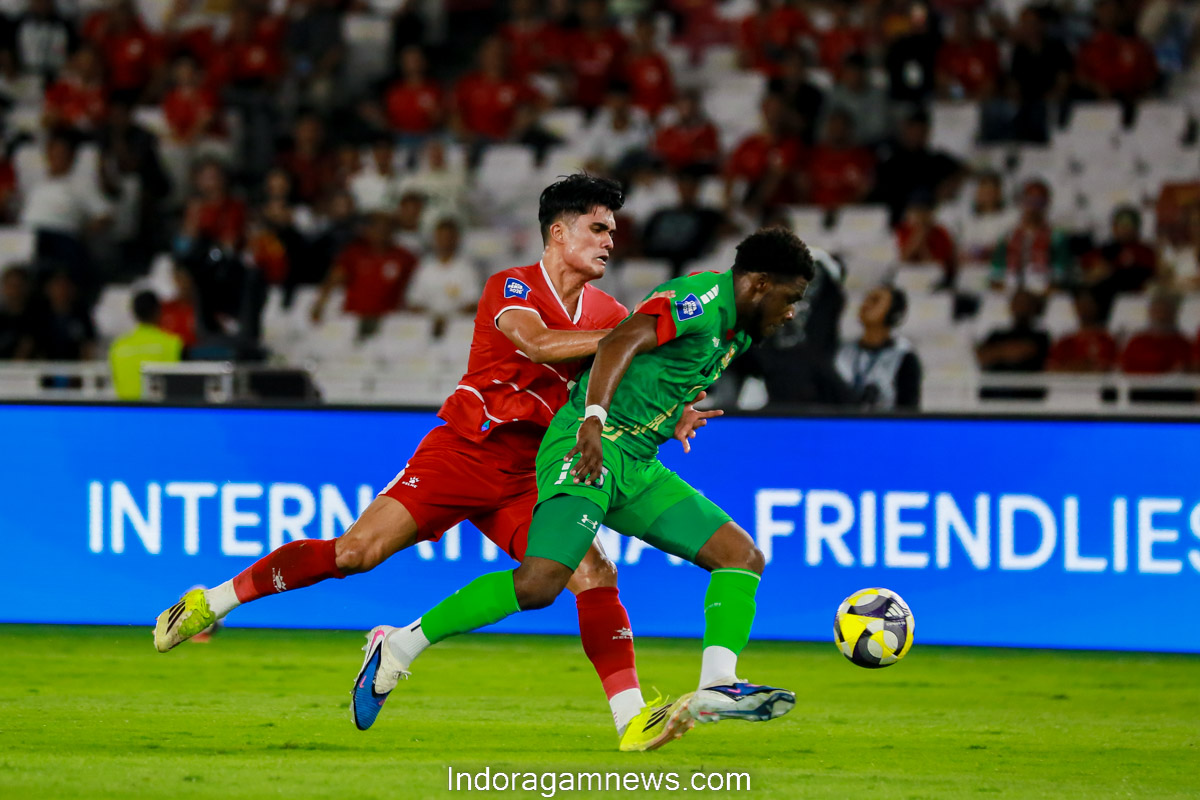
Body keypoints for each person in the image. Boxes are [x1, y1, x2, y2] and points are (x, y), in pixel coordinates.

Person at [154, 175, 719, 753]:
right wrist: (622, 339)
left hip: (531, 473)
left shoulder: (609, 310)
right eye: (598, 228)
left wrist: (672, 409)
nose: (609, 242)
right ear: (558, 231)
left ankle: (631, 717)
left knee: (593, 575)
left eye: (613, 232)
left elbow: (621, 379)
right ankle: (211, 601)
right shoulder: (513, 286)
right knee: (355, 553)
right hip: (462, 453)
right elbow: (543, 345)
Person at [355, 228, 813, 746]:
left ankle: (717, 686)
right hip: (586, 446)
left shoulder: (741, 328)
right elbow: (622, 340)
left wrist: (675, 413)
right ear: (757, 283)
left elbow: (658, 373)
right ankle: (399, 646)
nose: (792, 311)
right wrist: (593, 418)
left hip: (637, 461)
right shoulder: (697, 301)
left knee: (741, 556)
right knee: (538, 584)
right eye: (790, 297)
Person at [835, 285, 922, 410]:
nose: (866, 304)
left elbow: (909, 410)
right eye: (866, 299)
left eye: (875, 300)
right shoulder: (841, 351)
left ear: (893, 313)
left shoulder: (904, 357)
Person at [406, 218, 481, 337]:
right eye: (441, 237)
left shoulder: (467, 269)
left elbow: (472, 303)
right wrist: (433, 320)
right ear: (435, 239)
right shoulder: (424, 267)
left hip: (457, 328)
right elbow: (414, 302)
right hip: (427, 326)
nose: (444, 241)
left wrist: (447, 320)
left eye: (448, 237)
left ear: (456, 239)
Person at [109, 291, 184, 400]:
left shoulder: (117, 346)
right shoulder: (173, 343)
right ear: (158, 311)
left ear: (134, 313)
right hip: (161, 413)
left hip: (126, 412)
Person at [975, 289, 1051, 372]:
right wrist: (1006, 351)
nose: (1021, 307)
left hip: (1030, 383)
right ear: (1011, 306)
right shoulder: (997, 334)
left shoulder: (1041, 337)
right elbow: (981, 356)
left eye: (1025, 303)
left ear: (1034, 307)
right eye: (1018, 302)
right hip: (997, 382)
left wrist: (998, 351)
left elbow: (1027, 352)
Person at [1119, 289, 1191, 374]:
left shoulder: (1183, 344)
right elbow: (1125, 367)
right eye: (1157, 311)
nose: (1161, 316)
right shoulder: (1137, 342)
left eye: (1165, 311)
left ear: (1173, 314)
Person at [1047, 289, 1118, 373]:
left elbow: (1112, 368)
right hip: (1068, 384)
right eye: (1081, 303)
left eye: (1088, 303)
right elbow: (1052, 368)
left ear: (1096, 305)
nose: (1084, 307)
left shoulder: (1106, 341)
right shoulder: (1065, 341)